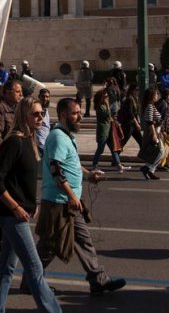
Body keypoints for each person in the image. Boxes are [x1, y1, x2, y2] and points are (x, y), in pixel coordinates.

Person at [35, 97, 126, 296]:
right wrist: (71, 195)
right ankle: (31, 281)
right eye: (75, 113)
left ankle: (97, 279)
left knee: (83, 241)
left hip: (67, 201)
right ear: (62, 115)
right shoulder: (58, 137)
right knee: (49, 246)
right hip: (59, 202)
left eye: (79, 112)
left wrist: (89, 175)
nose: (79, 117)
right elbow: (55, 168)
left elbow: (72, 164)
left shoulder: (66, 136)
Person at [0, 97, 62, 313]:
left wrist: (32, 202)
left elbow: (21, 180)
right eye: (35, 114)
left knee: (6, 268)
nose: (40, 117)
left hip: (20, 213)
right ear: (24, 116)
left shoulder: (30, 140)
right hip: (12, 215)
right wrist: (16, 207)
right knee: (35, 268)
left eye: (42, 112)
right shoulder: (15, 142)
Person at [91, 90, 129, 173]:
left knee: (113, 149)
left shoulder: (104, 106)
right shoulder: (100, 107)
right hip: (103, 132)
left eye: (107, 96)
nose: (107, 98)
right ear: (102, 98)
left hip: (109, 131)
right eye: (106, 96)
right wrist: (108, 105)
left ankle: (119, 166)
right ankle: (94, 166)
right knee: (100, 150)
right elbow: (108, 116)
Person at [139, 87, 164, 180]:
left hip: (156, 131)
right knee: (160, 151)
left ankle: (150, 170)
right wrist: (154, 134)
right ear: (152, 95)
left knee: (160, 151)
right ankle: (147, 168)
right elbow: (149, 121)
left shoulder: (152, 105)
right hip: (151, 132)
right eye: (156, 94)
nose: (157, 95)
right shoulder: (149, 106)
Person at [117, 83, 142, 148]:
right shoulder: (129, 99)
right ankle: (115, 155)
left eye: (138, 90)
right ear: (132, 90)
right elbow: (130, 113)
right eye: (136, 90)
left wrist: (138, 122)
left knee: (141, 141)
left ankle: (145, 157)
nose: (138, 91)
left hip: (133, 124)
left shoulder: (135, 99)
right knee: (123, 141)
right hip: (128, 124)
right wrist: (137, 124)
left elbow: (136, 112)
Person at [35, 89, 51, 156]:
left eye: (47, 97)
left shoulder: (46, 109)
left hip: (46, 142)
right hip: (39, 143)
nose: (45, 99)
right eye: (43, 96)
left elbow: (45, 125)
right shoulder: (36, 109)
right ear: (39, 96)